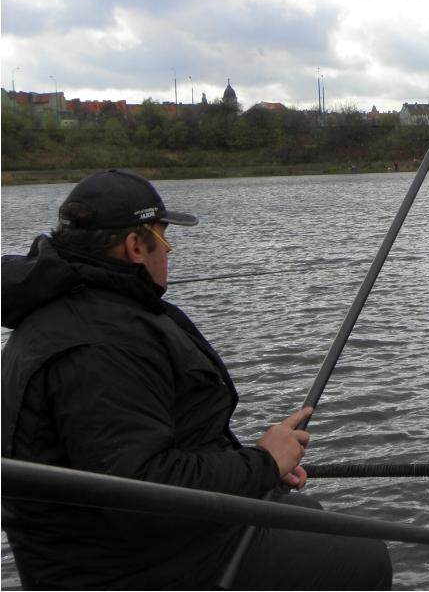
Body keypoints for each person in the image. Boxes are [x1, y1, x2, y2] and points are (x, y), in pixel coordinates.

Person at [1, 169, 393, 590]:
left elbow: (145, 450)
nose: (169, 255)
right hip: (129, 568)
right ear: (136, 245)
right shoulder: (100, 345)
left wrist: (259, 470)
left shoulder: (91, 314)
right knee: (361, 556)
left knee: (305, 509)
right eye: (165, 239)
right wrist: (260, 463)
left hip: (135, 544)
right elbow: (143, 492)